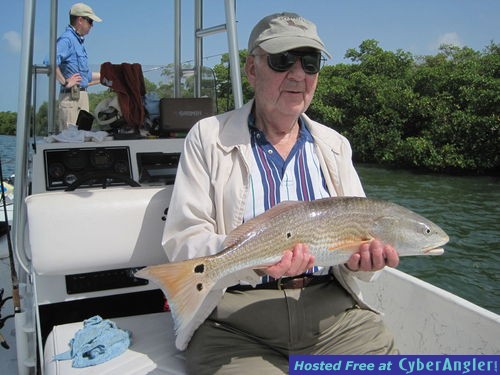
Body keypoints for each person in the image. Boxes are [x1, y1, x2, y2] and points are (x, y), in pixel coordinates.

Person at [163, 12, 400, 374]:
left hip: (332, 316)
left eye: (310, 62)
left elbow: (358, 240)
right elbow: (183, 239)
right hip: (236, 319)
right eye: (282, 60)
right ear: (252, 70)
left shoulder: (336, 146)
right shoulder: (207, 137)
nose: (298, 74)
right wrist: (250, 258)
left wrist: (363, 263)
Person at [56, 3, 102, 131]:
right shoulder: (67, 40)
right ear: (80, 20)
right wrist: (65, 82)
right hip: (71, 100)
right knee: (70, 143)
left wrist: (109, 76)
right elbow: (50, 62)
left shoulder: (78, 41)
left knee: (81, 141)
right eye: (90, 21)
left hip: (81, 99)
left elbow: (84, 76)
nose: (92, 25)